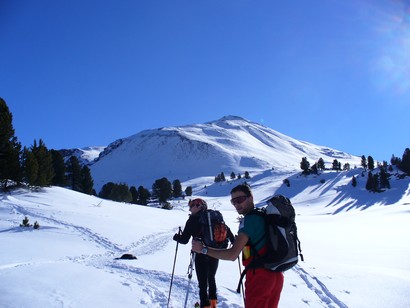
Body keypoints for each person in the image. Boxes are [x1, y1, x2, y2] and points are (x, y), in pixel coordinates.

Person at [192, 184, 284, 308]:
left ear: (250, 198)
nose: (236, 204)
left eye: (239, 199)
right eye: (233, 201)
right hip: (275, 275)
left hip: (259, 277)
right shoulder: (262, 216)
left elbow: (232, 255)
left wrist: (203, 249)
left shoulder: (250, 220)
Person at [173, 198, 222, 308]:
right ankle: (213, 305)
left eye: (191, 206)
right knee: (211, 278)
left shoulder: (192, 220)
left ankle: (205, 305)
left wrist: (176, 237)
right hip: (215, 252)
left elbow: (184, 240)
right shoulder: (213, 217)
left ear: (199, 206)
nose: (190, 209)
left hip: (200, 254)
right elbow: (228, 233)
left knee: (203, 284)